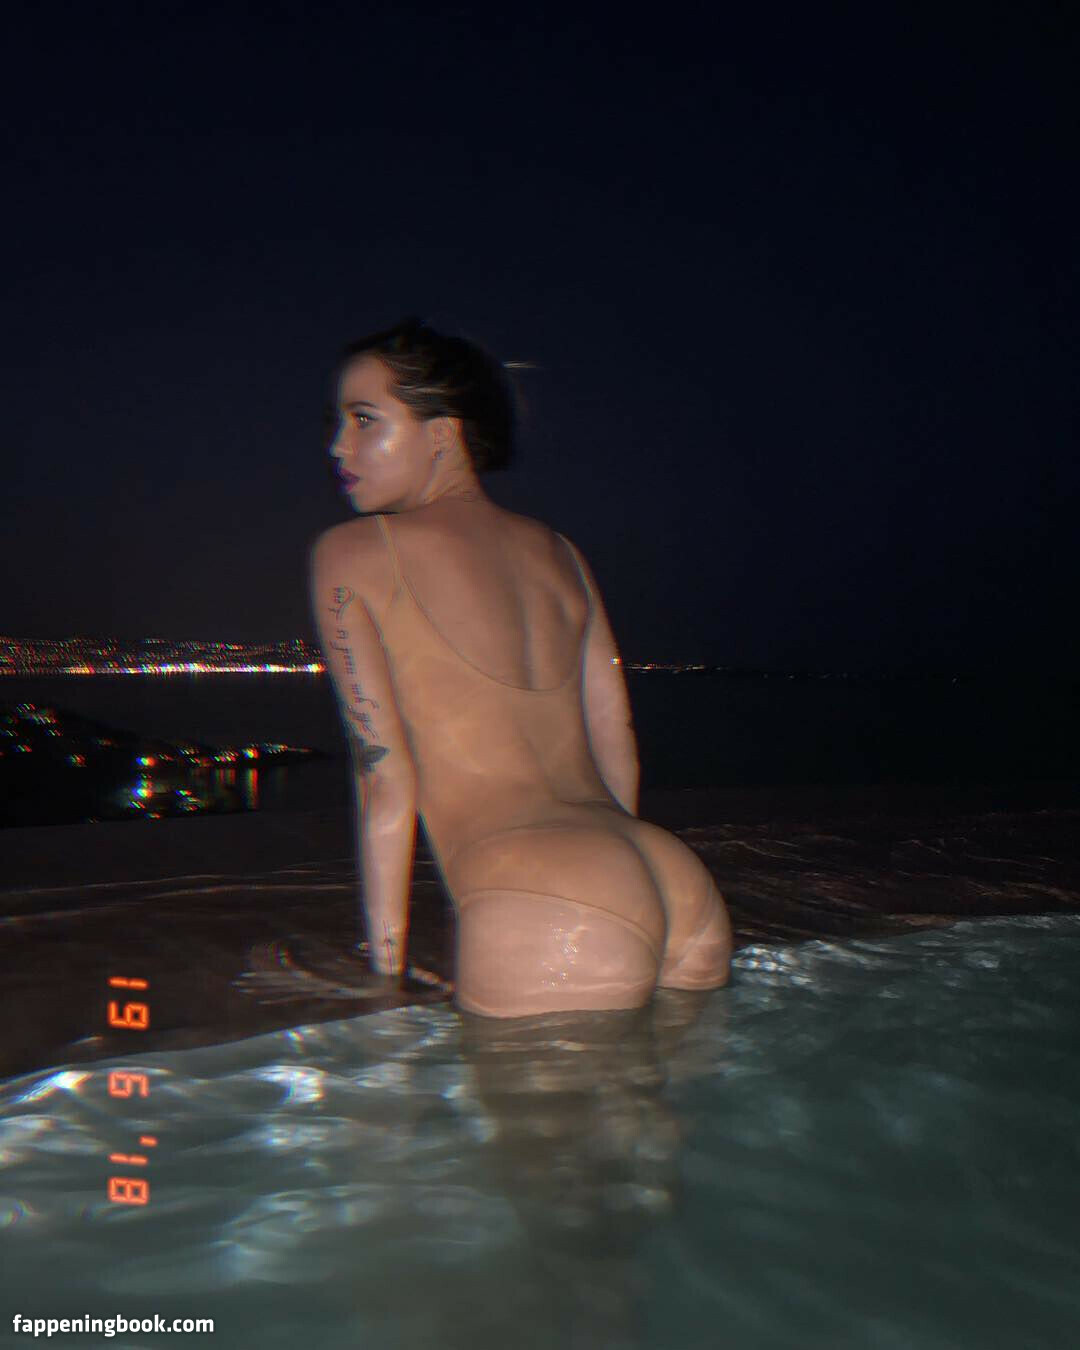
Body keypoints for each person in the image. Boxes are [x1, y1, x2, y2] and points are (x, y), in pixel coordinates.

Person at [309, 316, 732, 1017]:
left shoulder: (351, 552)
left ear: (441, 433)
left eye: (364, 420)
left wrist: (385, 969)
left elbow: (384, 780)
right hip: (664, 869)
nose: (337, 445)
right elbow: (616, 738)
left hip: (544, 887)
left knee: (526, 1099)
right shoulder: (560, 552)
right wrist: (620, 881)